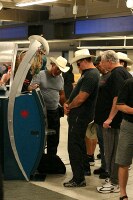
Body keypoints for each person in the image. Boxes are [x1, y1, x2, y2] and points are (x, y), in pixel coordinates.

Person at [63, 49, 100, 187]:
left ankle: (78, 178)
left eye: (78, 64)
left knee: (74, 146)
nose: (78, 67)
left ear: (84, 60)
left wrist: (70, 106)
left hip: (80, 115)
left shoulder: (91, 75)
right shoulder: (88, 74)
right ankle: (84, 170)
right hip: (79, 115)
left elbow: (81, 98)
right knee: (79, 144)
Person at [96, 50, 132, 194]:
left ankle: (114, 181)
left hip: (114, 122)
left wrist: (110, 118)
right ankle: (114, 179)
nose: (101, 64)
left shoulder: (116, 74)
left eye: (102, 61)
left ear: (109, 61)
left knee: (112, 152)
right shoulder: (123, 73)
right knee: (115, 151)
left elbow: (117, 99)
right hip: (118, 121)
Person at [28, 56, 69, 156]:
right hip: (40, 112)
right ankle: (39, 157)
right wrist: (32, 88)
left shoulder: (60, 79)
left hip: (54, 111)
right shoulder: (41, 74)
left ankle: (51, 158)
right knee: (40, 135)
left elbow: (62, 93)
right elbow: (30, 88)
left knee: (54, 137)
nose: (58, 72)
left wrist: (65, 105)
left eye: (61, 70)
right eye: (57, 68)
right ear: (52, 65)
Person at [93, 56, 111, 179]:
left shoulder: (111, 77)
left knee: (107, 144)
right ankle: (104, 166)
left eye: (99, 65)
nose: (98, 67)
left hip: (106, 115)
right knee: (102, 144)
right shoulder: (101, 77)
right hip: (99, 116)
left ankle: (108, 169)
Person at [115, 77, 133, 200]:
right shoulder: (129, 83)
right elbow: (119, 105)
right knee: (123, 160)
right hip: (129, 125)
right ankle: (123, 193)